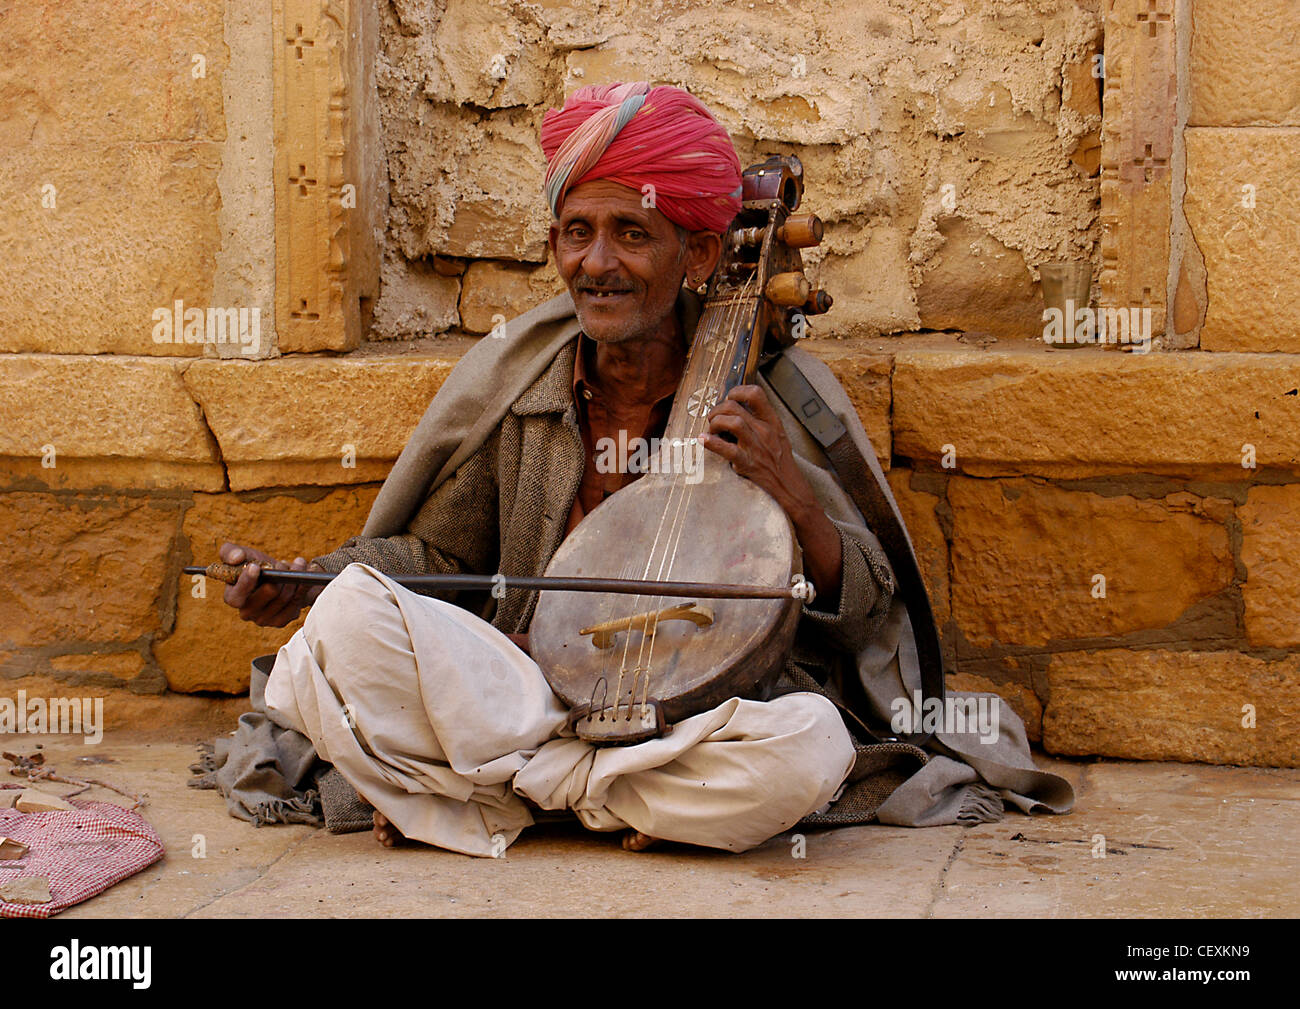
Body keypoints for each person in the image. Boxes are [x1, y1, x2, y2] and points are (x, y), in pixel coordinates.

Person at [215, 83, 1009, 857]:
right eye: (577, 231)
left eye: (632, 232)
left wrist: (794, 497)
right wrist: (309, 579)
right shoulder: (526, 396)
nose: (598, 263)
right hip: (526, 698)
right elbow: (441, 561)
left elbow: (871, 610)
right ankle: (597, 795)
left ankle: (496, 795)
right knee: (341, 627)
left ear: (697, 251)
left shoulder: (770, 407)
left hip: (697, 719)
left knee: (811, 743)